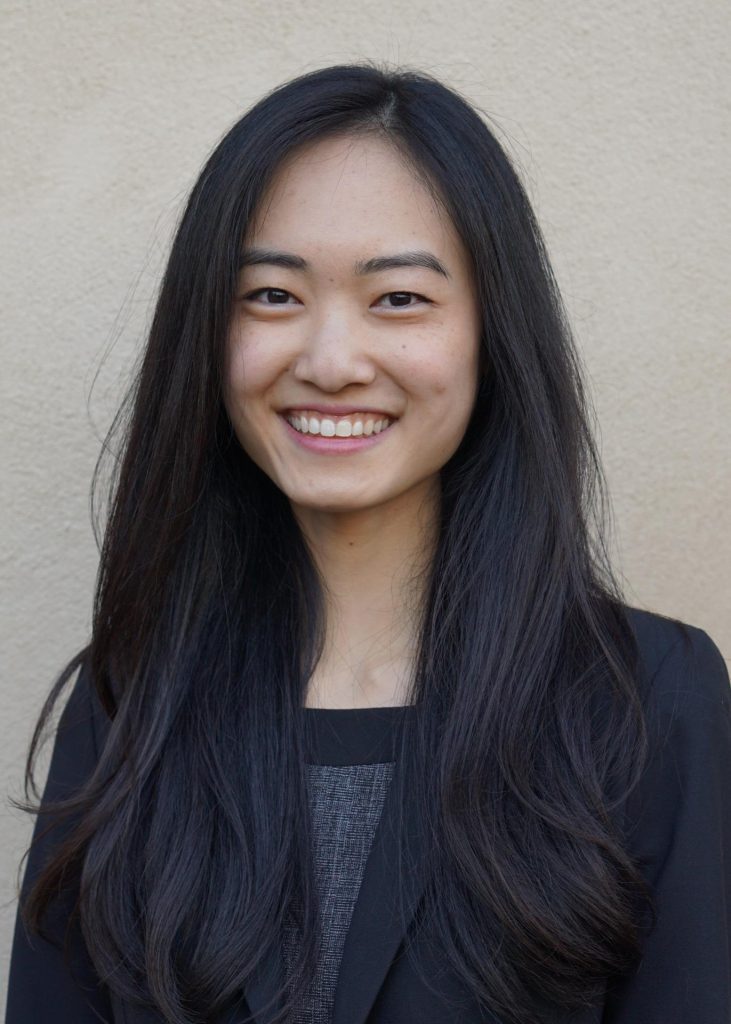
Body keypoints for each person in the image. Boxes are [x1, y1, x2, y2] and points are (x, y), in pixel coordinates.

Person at [5, 61, 731, 1024]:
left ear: (491, 334)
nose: (331, 361)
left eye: (398, 299)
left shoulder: (646, 703)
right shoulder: (129, 703)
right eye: (271, 295)